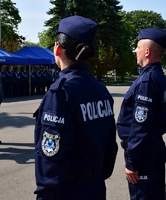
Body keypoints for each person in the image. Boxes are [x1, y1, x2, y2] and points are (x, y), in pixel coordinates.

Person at [33, 15, 118, 200]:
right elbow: (110, 143)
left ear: (57, 48)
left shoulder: (61, 93)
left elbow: (52, 158)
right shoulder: (100, 89)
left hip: (68, 191)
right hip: (95, 186)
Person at [117, 28, 166, 200]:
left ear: (147, 52)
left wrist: (132, 161)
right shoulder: (157, 76)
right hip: (151, 148)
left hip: (144, 153)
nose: (135, 51)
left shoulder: (147, 81)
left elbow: (141, 126)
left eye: (138, 47)